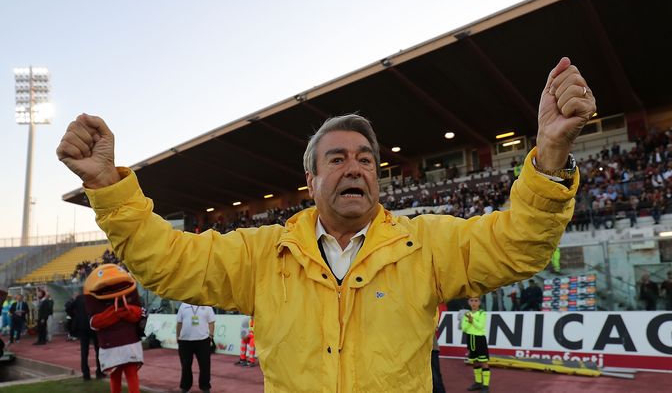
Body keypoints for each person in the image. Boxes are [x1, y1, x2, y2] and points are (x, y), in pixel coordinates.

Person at [56, 57, 595, 391]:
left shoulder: (427, 244)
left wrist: (549, 152)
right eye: (337, 159)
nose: (355, 166)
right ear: (310, 182)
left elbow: (517, 247)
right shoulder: (261, 254)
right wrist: (107, 186)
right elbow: (165, 262)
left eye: (365, 158)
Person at [84, 264, 146, 393]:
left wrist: (122, 312)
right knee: (124, 375)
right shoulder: (97, 306)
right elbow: (95, 322)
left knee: (123, 375)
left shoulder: (131, 302)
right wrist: (116, 312)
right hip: (122, 344)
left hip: (118, 345)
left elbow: (139, 314)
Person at [176, 303, 215, 393]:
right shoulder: (183, 305)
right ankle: (185, 387)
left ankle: (205, 387)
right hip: (185, 341)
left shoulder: (207, 306)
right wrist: (177, 336)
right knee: (185, 366)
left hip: (203, 340)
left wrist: (211, 335)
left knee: (205, 365)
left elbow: (211, 322)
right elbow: (179, 322)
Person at [68, 292, 105, 380]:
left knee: (84, 351)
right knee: (98, 350)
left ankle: (86, 373)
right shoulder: (95, 297)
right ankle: (99, 371)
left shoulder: (79, 298)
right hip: (94, 325)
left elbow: (69, 308)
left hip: (82, 326)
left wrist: (76, 316)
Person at [461, 297, 490, 392]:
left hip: (480, 339)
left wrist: (471, 320)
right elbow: (464, 328)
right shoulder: (466, 314)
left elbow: (480, 326)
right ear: (468, 302)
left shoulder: (482, 313)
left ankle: (485, 385)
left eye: (476, 300)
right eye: (472, 301)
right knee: (475, 361)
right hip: (470, 339)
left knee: (484, 362)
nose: (474, 303)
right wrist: (470, 321)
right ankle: (478, 383)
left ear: (480, 302)